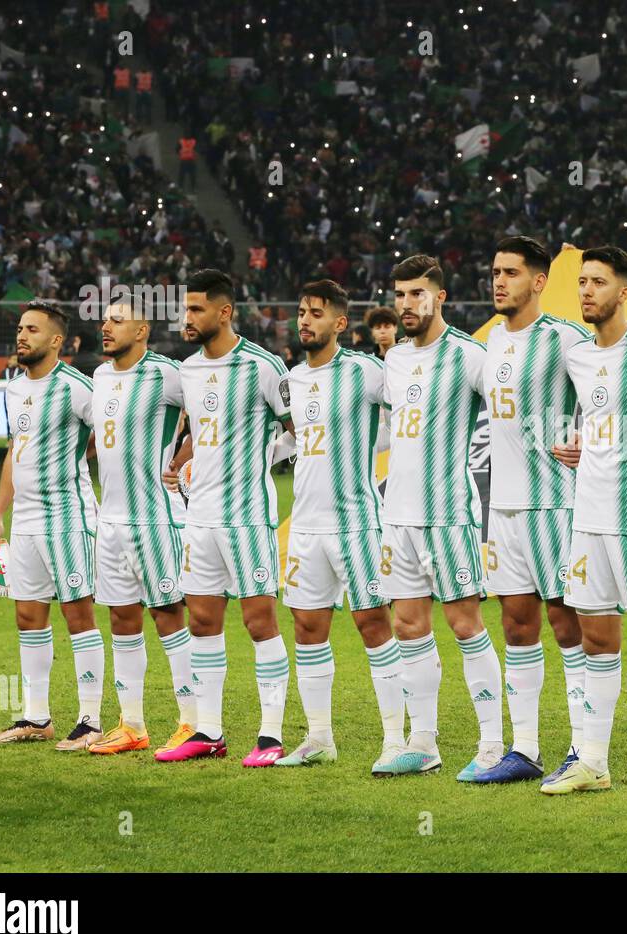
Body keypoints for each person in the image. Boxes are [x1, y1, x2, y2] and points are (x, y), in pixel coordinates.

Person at [540, 246, 627, 798]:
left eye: (598, 283)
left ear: (624, 292)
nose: (586, 292)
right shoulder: (577, 357)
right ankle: (593, 762)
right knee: (596, 639)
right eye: (581, 283)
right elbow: (602, 419)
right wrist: (581, 444)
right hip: (587, 518)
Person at [155, 269, 295, 765]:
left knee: (260, 622)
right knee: (202, 621)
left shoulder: (262, 365)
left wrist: (264, 456)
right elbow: (199, 429)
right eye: (184, 309)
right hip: (200, 518)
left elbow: (298, 428)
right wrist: (180, 462)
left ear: (224, 311)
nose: (186, 318)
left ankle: (271, 736)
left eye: (196, 309)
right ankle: (209, 731)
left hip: (248, 518)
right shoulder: (188, 369)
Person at [377, 255, 504, 779]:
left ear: (440, 297)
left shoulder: (470, 356)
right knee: (408, 625)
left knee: (465, 625)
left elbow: (509, 414)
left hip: (449, 513)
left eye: (416, 294)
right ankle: (423, 742)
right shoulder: (394, 359)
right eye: (400, 294)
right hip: (397, 515)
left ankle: (493, 743)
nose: (406, 304)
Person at [277, 279, 406, 771]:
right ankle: (319, 738)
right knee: (308, 628)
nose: (305, 320)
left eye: (316, 313)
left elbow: (408, 415)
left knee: (373, 624)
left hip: (357, 523)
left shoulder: (367, 371)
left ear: (340, 323)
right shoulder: (292, 379)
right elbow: (296, 441)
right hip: (305, 525)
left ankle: (395, 740)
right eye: (302, 311)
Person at [474, 236, 587, 784]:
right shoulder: (492, 339)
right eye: (495, 271)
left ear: (539, 281)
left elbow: (615, 385)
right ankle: (524, 750)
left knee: (569, 626)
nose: (499, 281)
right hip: (504, 508)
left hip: (554, 505)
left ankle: (584, 748)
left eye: (511, 273)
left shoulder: (564, 337)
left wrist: (590, 436)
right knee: (517, 627)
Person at [0, 301, 105, 750]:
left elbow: (107, 438)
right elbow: (15, 451)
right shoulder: (14, 387)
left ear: (56, 340)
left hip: (69, 517)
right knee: (27, 616)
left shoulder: (77, 387)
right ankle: (37, 718)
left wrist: (72, 459)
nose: (22, 335)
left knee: (79, 614)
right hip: (26, 520)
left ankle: (90, 720)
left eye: (32, 329)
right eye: (20, 327)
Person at [86, 298, 195, 757]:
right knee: (121, 618)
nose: (106, 327)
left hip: (156, 517)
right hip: (111, 520)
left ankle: (193, 721)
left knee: (168, 616)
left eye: (117, 320)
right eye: (104, 320)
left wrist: (185, 459)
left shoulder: (169, 374)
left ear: (143, 329)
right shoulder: (99, 376)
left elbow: (214, 420)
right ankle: (132, 724)